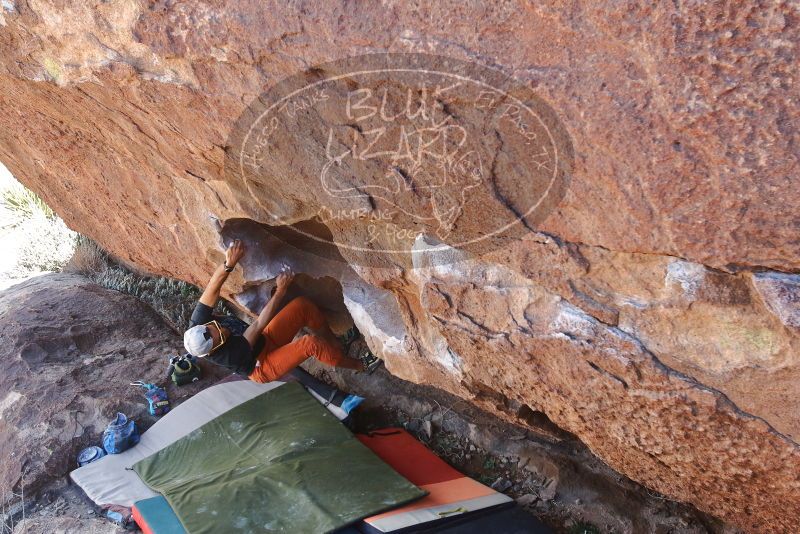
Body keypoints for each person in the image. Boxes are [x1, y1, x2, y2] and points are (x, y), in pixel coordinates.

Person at [183, 239, 382, 382]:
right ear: (214, 348)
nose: (216, 329)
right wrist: (280, 292)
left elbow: (213, 287)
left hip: (264, 340)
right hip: (262, 366)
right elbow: (259, 324)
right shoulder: (228, 355)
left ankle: (335, 345)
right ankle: (361, 366)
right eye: (216, 336)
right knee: (309, 344)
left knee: (303, 306)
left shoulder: (198, 324)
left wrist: (229, 263)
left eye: (211, 328)